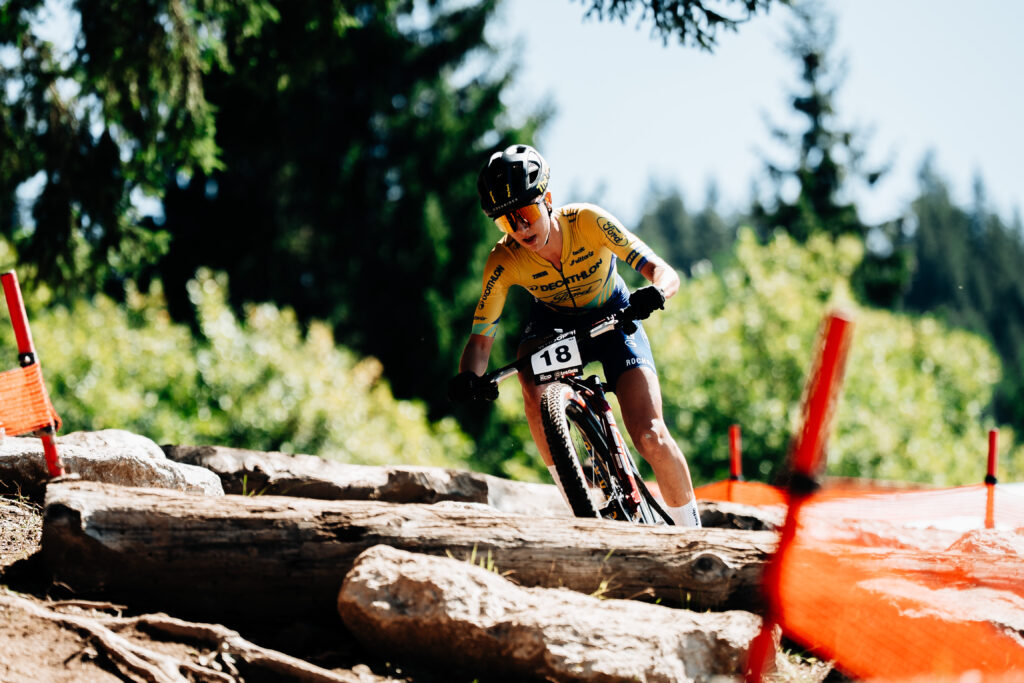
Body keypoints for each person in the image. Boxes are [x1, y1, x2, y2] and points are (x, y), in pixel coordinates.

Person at [448, 144, 700, 527]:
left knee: (651, 435)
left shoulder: (588, 221)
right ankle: (576, 501)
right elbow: (481, 340)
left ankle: (693, 533)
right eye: (507, 222)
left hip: (615, 315)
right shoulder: (504, 259)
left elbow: (663, 272)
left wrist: (655, 292)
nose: (521, 229)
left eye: (527, 214)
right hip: (553, 324)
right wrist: (469, 378)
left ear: (547, 201)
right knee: (530, 381)